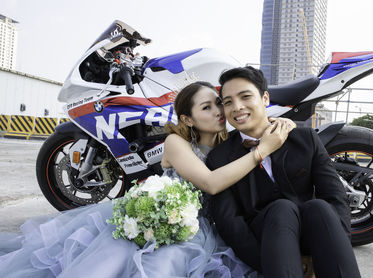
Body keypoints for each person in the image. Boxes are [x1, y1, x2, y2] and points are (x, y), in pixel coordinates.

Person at [0, 81, 294, 278]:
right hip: (149, 220)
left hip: (201, 229)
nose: (219, 111)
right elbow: (211, 183)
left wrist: (284, 123)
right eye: (207, 107)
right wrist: (262, 151)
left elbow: (260, 131)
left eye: (219, 103)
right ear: (188, 119)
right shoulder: (176, 144)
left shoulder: (229, 145)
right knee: (109, 261)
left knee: (167, 265)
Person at [206, 66, 362, 278]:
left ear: (265, 99)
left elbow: (336, 198)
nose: (237, 107)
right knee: (282, 208)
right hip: (265, 240)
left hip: (312, 231)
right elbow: (230, 223)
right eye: (228, 102)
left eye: (245, 97)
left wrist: (330, 250)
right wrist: (270, 260)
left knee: (320, 207)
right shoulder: (220, 158)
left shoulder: (305, 139)